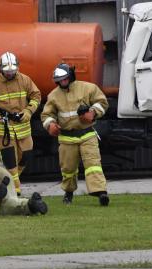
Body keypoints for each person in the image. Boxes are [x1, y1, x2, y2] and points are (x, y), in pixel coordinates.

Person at [41, 63, 109, 206]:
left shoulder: (88, 88)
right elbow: (46, 114)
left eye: (65, 79)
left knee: (93, 164)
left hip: (87, 135)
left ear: (71, 76)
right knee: (68, 169)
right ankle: (68, 193)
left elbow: (102, 102)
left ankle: (101, 192)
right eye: (59, 80)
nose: (62, 82)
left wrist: (93, 113)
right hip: (66, 138)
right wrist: (50, 125)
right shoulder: (53, 96)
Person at [0, 52, 41, 196]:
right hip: (4, 129)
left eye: (12, 71)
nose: (10, 74)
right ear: (0, 69)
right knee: (10, 161)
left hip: (22, 126)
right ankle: (15, 191)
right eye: (7, 71)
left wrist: (28, 111)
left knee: (26, 156)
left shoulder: (25, 80)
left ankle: (6, 180)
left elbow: (36, 96)